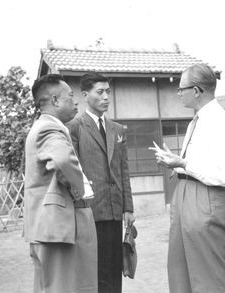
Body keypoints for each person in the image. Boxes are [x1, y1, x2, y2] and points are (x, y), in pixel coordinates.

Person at [150, 64, 225, 293]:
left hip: (206, 198)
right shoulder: (197, 121)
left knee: (208, 274)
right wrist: (177, 165)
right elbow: (197, 163)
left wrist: (183, 164)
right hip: (185, 195)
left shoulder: (221, 122)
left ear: (197, 90)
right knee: (180, 270)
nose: (179, 93)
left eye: (182, 88)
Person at [24, 74, 97, 293]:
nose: (75, 102)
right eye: (71, 96)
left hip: (46, 228)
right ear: (55, 100)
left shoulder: (40, 127)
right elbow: (62, 160)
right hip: (59, 228)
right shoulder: (50, 128)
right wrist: (81, 192)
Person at [67, 72, 135, 293]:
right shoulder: (74, 127)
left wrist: (128, 208)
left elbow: (123, 171)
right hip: (90, 212)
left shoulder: (117, 129)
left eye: (108, 91)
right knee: (94, 272)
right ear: (85, 95)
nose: (106, 96)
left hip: (115, 210)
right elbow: (73, 172)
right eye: (100, 92)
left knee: (115, 270)